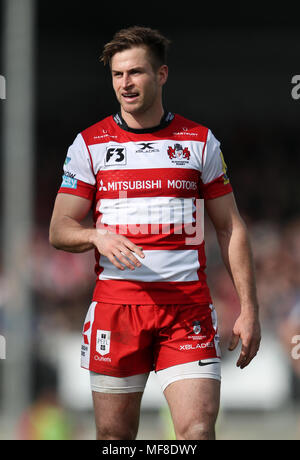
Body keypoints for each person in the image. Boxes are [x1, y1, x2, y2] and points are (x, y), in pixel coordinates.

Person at [49, 26, 261, 440]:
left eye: (136, 72)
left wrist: (249, 308)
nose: (125, 83)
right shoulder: (89, 144)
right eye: (117, 74)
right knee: (115, 438)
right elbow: (60, 228)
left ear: (161, 75)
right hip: (117, 311)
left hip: (187, 311)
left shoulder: (200, 142)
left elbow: (230, 226)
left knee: (198, 432)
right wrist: (97, 237)